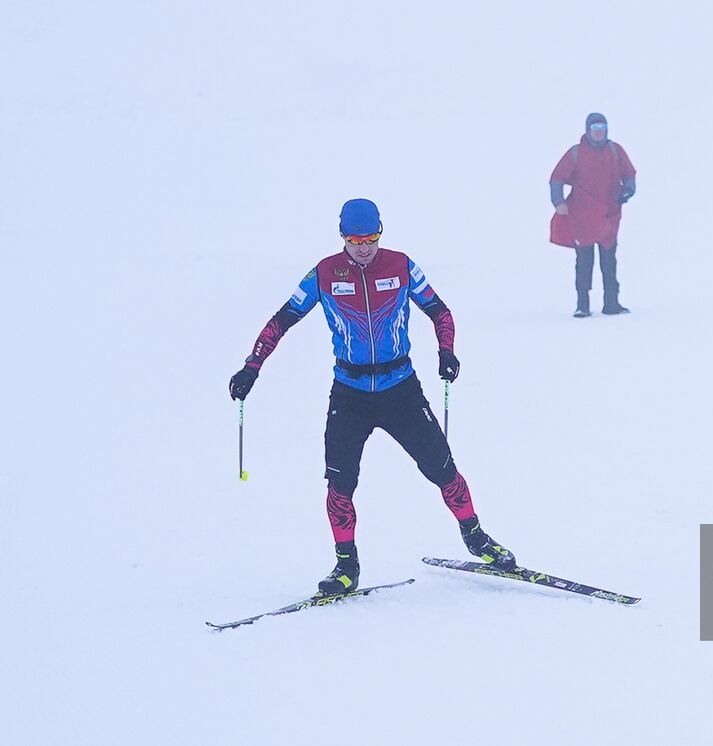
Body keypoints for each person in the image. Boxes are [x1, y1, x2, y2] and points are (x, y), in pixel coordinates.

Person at [228, 198, 516, 596]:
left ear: (381, 233)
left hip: (401, 388)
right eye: (354, 239)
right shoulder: (325, 273)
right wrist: (251, 366)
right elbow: (282, 320)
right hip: (350, 393)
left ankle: (476, 536)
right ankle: (347, 566)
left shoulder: (400, 265)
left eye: (371, 238)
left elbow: (440, 310)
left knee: (442, 468)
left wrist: (446, 350)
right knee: (339, 485)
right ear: (342, 236)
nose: (364, 248)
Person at [549, 113, 637, 317]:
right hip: (583, 217)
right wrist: (558, 202)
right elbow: (557, 178)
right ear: (588, 130)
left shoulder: (615, 151)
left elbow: (630, 174)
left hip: (609, 216)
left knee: (609, 261)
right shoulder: (576, 153)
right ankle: (583, 305)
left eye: (602, 127)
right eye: (595, 128)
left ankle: (611, 303)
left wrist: (628, 190)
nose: (598, 131)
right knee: (584, 261)